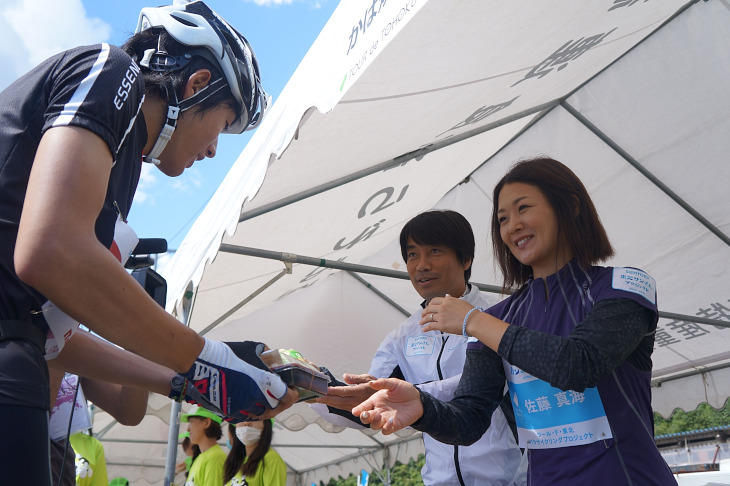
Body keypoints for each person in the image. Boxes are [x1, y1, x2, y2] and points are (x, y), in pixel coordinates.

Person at [0, 2, 298, 484]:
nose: (213, 149)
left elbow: (54, 337)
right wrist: (206, 359)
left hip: (20, 347)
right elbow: (49, 249)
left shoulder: (122, 169)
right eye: (222, 125)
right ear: (196, 85)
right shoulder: (108, 69)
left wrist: (191, 383)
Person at [352, 157, 677, 485]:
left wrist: (473, 321)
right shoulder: (497, 318)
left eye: (524, 208)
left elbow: (579, 364)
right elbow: (470, 418)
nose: (513, 226)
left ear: (571, 206)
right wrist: (421, 406)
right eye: (503, 219)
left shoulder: (624, 286)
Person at [315, 210, 524, 485]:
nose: (421, 265)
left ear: (466, 259)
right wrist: (309, 389)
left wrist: (411, 394)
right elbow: (369, 404)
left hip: (509, 479)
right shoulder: (401, 336)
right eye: (412, 255)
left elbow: (480, 388)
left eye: (434, 251)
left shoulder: (497, 318)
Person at [224, 420, 286, 486]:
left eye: (254, 418)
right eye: (241, 418)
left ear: (266, 424)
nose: (246, 423)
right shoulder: (237, 461)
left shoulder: (272, 460)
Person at [183, 405, 228, 486]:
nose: (188, 429)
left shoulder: (215, 458)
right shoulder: (202, 457)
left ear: (206, 422)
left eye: (191, 422)